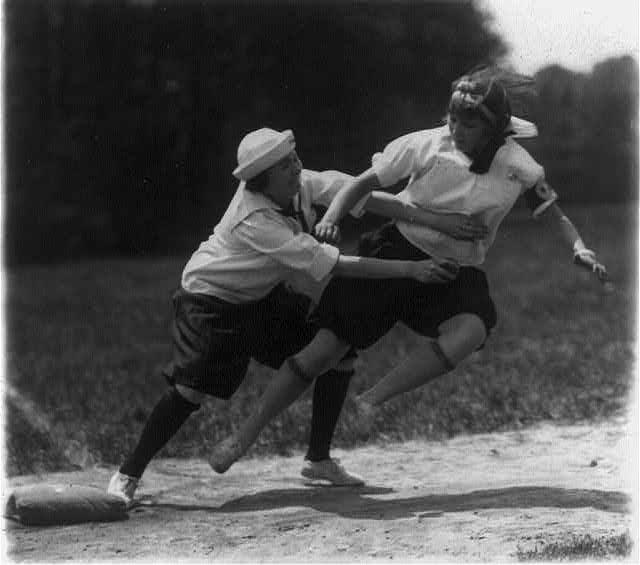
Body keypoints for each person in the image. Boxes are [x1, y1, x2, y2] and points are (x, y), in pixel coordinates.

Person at [208, 67, 608, 473]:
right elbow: (360, 184)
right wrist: (330, 217)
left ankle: (372, 399)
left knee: (472, 329)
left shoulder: (519, 165)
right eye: (452, 119)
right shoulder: (425, 145)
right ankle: (243, 436)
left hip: (453, 269)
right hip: (395, 249)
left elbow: (554, 213)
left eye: (468, 124)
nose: (456, 130)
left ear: (493, 128)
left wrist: (580, 247)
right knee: (323, 351)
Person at [107, 126, 461, 506]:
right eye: (284, 166)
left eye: (294, 158)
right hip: (211, 300)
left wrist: (434, 220)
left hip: (261, 297)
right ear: (262, 180)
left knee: (339, 352)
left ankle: (318, 460)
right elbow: (335, 265)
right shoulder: (253, 219)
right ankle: (128, 474)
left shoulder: (301, 185)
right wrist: (411, 269)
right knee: (190, 390)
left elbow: (361, 194)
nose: (296, 167)